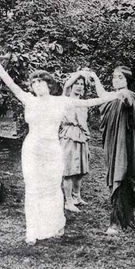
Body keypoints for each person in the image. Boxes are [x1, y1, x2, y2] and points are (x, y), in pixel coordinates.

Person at [0, 56, 119, 245]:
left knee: (51, 188)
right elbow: (10, 83)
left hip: (52, 149)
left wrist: (114, 95)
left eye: (41, 83)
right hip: (32, 149)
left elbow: (88, 102)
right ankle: (32, 230)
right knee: (33, 188)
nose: (38, 86)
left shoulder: (60, 101)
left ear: (49, 85)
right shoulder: (28, 99)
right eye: (34, 83)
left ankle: (55, 225)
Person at [99, 66, 135, 235]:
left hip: (124, 146)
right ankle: (124, 218)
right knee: (114, 178)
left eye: (120, 77)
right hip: (111, 145)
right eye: (114, 77)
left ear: (127, 80)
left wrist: (125, 96)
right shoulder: (112, 97)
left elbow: (131, 105)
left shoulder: (129, 95)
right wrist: (92, 76)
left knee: (121, 177)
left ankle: (116, 222)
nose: (116, 80)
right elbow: (102, 97)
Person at [60, 71, 91, 212]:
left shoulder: (83, 103)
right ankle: (68, 201)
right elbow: (66, 85)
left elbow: (84, 123)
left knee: (80, 170)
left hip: (81, 136)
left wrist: (87, 141)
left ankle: (77, 197)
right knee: (69, 169)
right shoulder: (65, 99)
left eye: (81, 84)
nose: (79, 87)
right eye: (76, 84)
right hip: (68, 135)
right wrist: (81, 73)